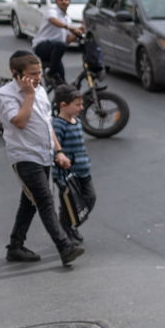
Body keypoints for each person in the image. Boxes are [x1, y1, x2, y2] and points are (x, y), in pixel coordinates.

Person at [0, 52, 84, 266]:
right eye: (32, 74)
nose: (38, 78)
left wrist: (58, 151)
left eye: (40, 72)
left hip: (43, 154)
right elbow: (20, 122)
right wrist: (28, 95)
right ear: (16, 74)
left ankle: (15, 246)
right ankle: (65, 246)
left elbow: (46, 123)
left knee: (30, 202)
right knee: (44, 200)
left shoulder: (41, 90)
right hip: (24, 156)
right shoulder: (5, 95)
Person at [51, 85, 95, 245]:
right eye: (77, 105)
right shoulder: (58, 125)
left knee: (90, 198)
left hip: (84, 170)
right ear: (63, 105)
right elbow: (54, 149)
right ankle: (67, 230)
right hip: (67, 175)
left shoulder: (77, 122)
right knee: (69, 204)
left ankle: (72, 224)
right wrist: (59, 158)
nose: (81, 108)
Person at [32, 0, 84, 86]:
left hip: (55, 50)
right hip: (42, 46)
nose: (64, 2)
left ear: (69, 2)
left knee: (62, 83)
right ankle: (51, 73)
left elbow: (67, 41)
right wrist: (70, 27)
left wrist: (80, 31)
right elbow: (53, 21)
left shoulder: (67, 18)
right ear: (56, 1)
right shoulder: (52, 11)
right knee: (60, 45)